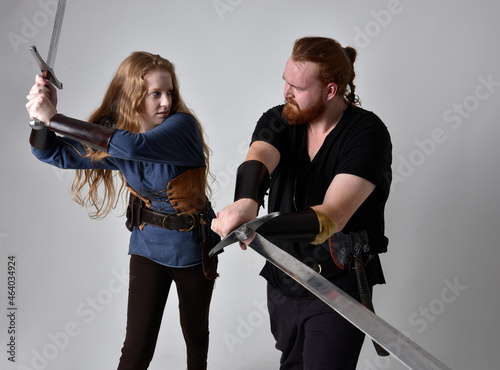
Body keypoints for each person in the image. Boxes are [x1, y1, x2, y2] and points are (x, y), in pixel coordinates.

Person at [26, 51, 220, 370]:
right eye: (155, 93)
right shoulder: (118, 136)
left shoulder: (182, 127)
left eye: (169, 92)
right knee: (135, 349)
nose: (165, 102)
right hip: (146, 247)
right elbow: (51, 153)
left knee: (194, 334)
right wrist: (39, 116)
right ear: (132, 95)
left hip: (193, 249)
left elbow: (134, 147)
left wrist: (54, 118)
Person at [211, 36, 392, 369]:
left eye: (298, 86)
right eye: (285, 81)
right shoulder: (281, 118)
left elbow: (331, 218)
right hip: (283, 279)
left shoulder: (367, 134)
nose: (286, 92)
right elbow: (260, 156)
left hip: (337, 287)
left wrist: (254, 227)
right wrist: (245, 203)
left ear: (330, 90)